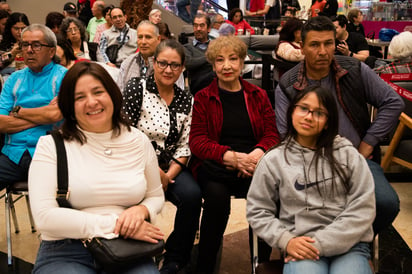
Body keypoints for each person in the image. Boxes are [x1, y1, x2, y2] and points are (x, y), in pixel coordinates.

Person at [29, 61, 164, 274]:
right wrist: (116, 223)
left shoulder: (138, 141)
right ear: (69, 106)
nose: (91, 102)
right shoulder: (51, 146)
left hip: (127, 246)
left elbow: (155, 196)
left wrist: (142, 209)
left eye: (98, 92)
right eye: (79, 97)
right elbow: (44, 217)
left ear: (112, 94)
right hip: (66, 247)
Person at [274, 16, 404, 235]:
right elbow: (285, 135)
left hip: (357, 158)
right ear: (303, 48)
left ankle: (353, 241)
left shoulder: (354, 69)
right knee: (292, 205)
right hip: (308, 164)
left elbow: (393, 102)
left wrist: (368, 143)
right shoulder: (288, 84)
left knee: (386, 203)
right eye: (315, 45)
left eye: (329, 43)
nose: (323, 51)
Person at [247, 85, 376, 274]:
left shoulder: (348, 154)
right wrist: (286, 240)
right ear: (292, 111)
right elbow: (257, 210)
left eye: (319, 113)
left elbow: (363, 208)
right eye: (303, 108)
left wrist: (321, 243)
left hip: (350, 244)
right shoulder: (274, 160)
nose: (308, 117)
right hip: (301, 243)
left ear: (327, 122)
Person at [189, 35, 280, 273]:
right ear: (213, 65)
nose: (226, 66)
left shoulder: (257, 95)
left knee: (266, 200)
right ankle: (206, 265)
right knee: (216, 200)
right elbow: (197, 141)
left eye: (233, 59)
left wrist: (256, 155)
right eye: (220, 60)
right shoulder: (203, 97)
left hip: (253, 165)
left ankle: (261, 264)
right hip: (218, 167)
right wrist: (230, 156)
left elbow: (272, 134)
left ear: (242, 62)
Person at [123, 39, 202, 274]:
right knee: (134, 195)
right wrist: (154, 172)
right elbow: (125, 133)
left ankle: (176, 257)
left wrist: (168, 175)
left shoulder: (186, 99)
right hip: (135, 163)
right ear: (153, 63)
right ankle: (139, 256)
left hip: (171, 167)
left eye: (175, 65)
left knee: (192, 196)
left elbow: (185, 144)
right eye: (163, 63)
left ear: (183, 68)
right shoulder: (138, 87)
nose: (168, 70)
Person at [0, 24, 67, 190]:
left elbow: (55, 115)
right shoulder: (13, 79)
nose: (29, 50)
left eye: (36, 45)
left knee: (58, 198)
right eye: (25, 45)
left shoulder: (63, 76)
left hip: (49, 154)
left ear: (51, 51)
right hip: (12, 154)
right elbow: (1, 123)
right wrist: (43, 116)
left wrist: (17, 112)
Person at [117, 20, 160, 92]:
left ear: (158, 39)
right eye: (140, 37)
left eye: (148, 37)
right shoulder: (127, 63)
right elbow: (119, 94)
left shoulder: (168, 64)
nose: (143, 42)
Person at [184, 14, 215, 95]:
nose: (198, 29)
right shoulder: (187, 47)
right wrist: (210, 55)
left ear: (208, 28)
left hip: (216, 91)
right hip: (197, 92)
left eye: (201, 26)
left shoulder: (216, 46)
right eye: (195, 26)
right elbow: (189, 64)